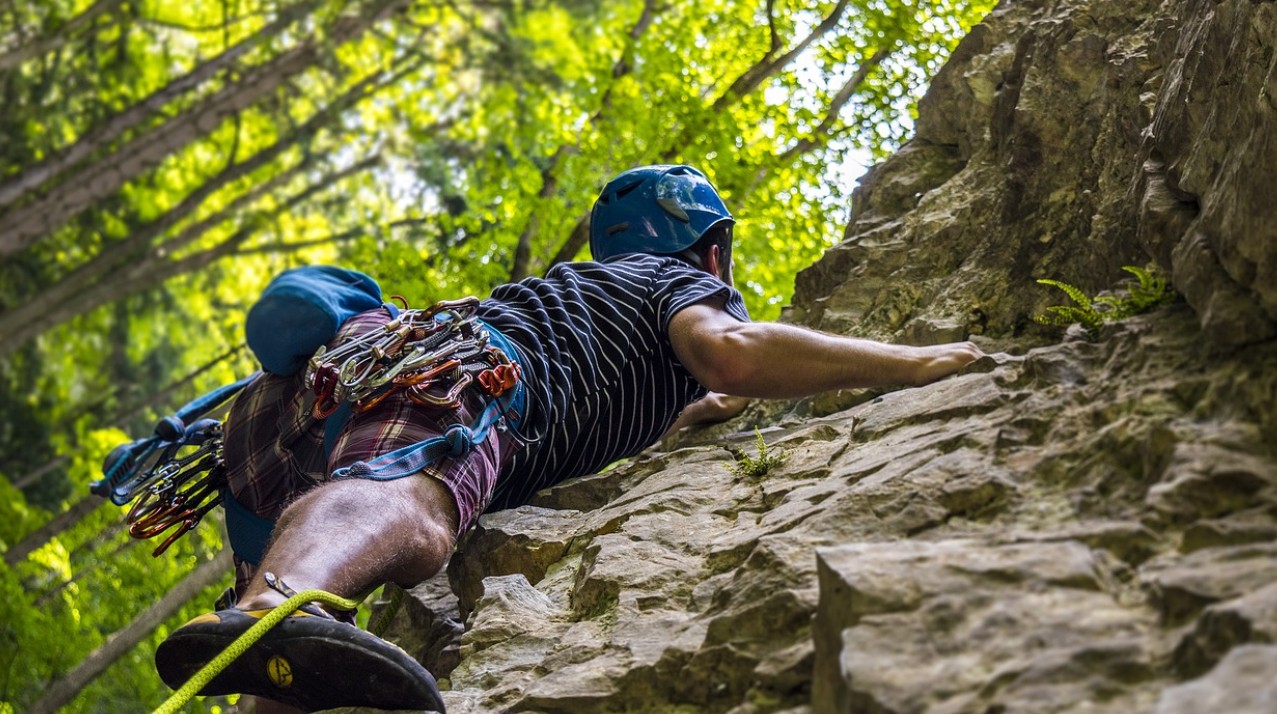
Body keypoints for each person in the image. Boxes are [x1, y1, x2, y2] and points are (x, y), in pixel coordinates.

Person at [155, 164, 984, 712]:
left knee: (286, 661)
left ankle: (267, 618)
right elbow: (727, 353)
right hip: (459, 373)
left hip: (280, 426)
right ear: (712, 249)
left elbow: (677, 398)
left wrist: (695, 412)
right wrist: (913, 363)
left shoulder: (591, 310)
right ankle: (269, 604)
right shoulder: (675, 282)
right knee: (417, 507)